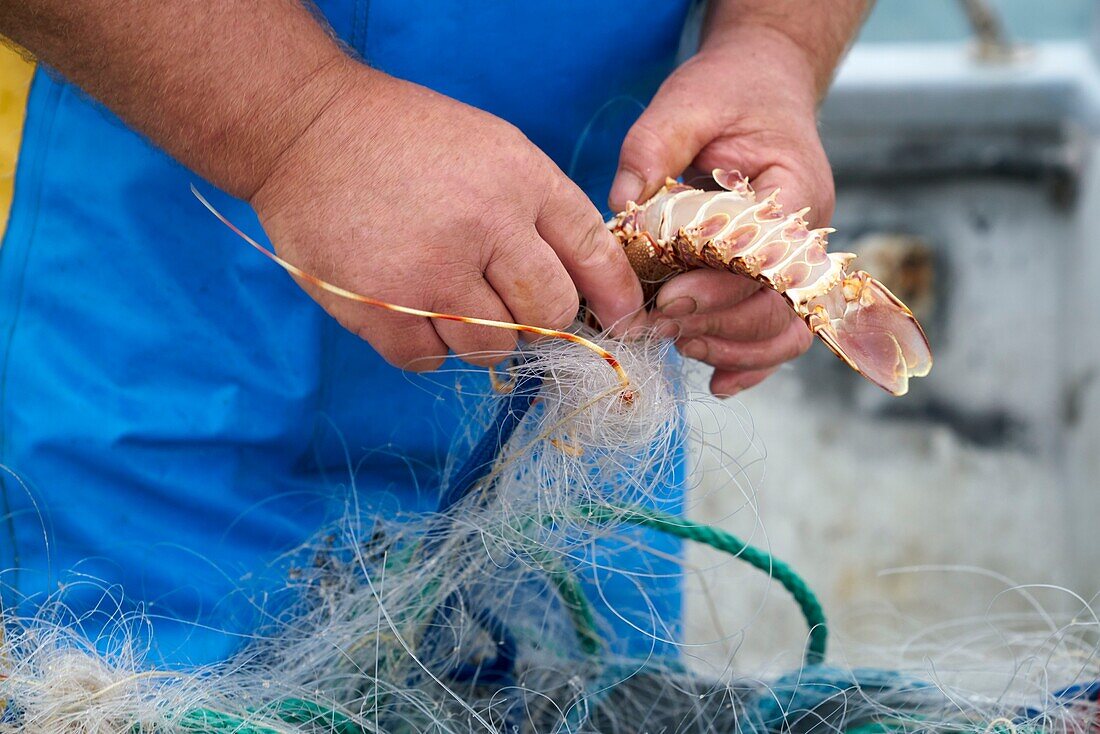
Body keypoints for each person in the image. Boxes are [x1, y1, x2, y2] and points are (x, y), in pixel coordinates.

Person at [0, 1, 869, 666]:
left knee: (578, 681)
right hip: (168, 374)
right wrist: (298, 125)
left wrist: (771, 43)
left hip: (594, 416)